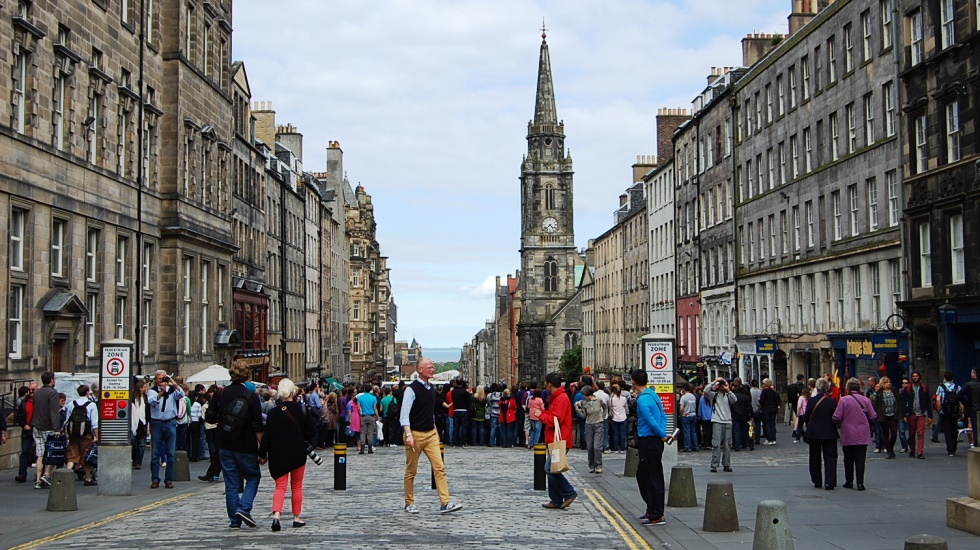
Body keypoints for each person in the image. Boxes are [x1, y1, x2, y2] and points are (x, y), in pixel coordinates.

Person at [400, 357, 463, 515]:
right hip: (415, 433)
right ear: (420, 370)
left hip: (430, 434)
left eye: (433, 366)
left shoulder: (431, 389)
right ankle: (409, 502)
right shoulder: (411, 390)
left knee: (439, 467)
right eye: (429, 367)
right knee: (411, 470)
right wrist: (408, 434)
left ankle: (445, 502)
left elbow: (429, 412)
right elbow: (404, 415)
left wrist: (434, 429)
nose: (432, 369)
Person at [205, 359, 264, 528]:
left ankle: (234, 520)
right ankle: (244, 508)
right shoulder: (252, 397)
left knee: (230, 483)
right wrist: (263, 450)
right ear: (247, 376)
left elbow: (209, 417)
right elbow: (257, 426)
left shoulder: (220, 393)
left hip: (224, 443)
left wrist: (224, 421)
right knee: (253, 477)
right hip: (246, 445)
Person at [258, 378, 314, 532]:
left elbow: (267, 436)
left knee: (280, 486)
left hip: (278, 453)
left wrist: (262, 454)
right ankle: (296, 517)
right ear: (293, 392)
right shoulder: (302, 410)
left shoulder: (273, 413)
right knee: (297, 485)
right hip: (297, 453)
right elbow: (311, 433)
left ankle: (276, 516)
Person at [631, 369, 668, 525]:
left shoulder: (642, 400)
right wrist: (663, 432)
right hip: (655, 440)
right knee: (644, 475)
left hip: (648, 440)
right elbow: (663, 415)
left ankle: (657, 514)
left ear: (633, 381)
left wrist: (661, 434)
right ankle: (651, 509)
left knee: (652, 477)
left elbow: (650, 421)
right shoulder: (653, 395)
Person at [538, 371, 577, 510]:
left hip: (560, 439)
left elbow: (556, 420)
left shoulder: (561, 398)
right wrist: (543, 412)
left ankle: (569, 492)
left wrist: (541, 415)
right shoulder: (556, 398)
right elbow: (553, 415)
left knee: (549, 469)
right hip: (554, 439)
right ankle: (555, 499)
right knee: (553, 469)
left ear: (549, 384)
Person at [833, 378, 877, 491]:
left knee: (848, 458)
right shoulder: (866, 400)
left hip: (848, 433)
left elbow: (837, 417)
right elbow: (873, 416)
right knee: (860, 459)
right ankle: (860, 483)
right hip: (862, 433)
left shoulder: (843, 400)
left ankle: (849, 481)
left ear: (848, 388)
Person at [147, 370, 184, 489]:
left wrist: (173, 383)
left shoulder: (172, 391)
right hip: (157, 423)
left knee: (171, 453)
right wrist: (161, 392)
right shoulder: (152, 391)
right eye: (160, 379)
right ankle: (155, 479)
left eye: (164, 378)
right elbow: (152, 402)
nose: (162, 381)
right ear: (156, 380)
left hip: (170, 422)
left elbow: (181, 394)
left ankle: (169, 479)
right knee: (155, 453)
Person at [802, 378, 838, 490]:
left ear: (817, 388)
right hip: (829, 433)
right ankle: (829, 482)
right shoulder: (831, 402)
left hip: (814, 433)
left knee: (814, 457)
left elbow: (806, 416)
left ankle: (817, 480)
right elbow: (836, 418)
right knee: (830, 458)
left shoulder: (811, 401)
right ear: (827, 388)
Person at [64, 385, 99, 486]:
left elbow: (67, 421)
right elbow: (94, 423)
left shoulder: (71, 404)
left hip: (73, 435)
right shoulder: (91, 405)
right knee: (86, 456)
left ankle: (66, 477)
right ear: (87, 392)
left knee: (72, 456)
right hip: (86, 435)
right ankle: (88, 478)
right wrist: (96, 436)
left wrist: (67, 434)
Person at [32, 372, 62, 489]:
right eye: (54, 379)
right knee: (54, 452)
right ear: (51, 380)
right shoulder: (53, 393)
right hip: (48, 427)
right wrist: (56, 428)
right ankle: (46, 475)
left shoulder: (37, 393)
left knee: (40, 453)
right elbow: (54, 412)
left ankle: (38, 479)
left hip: (37, 425)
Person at [704, 377, 737, 473]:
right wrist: (714, 382)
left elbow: (734, 400)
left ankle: (726, 464)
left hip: (728, 421)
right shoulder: (713, 395)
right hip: (717, 421)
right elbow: (706, 391)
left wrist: (728, 389)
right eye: (721, 384)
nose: (722, 386)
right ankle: (714, 465)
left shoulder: (728, 395)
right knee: (716, 444)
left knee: (727, 445)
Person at [575, 386, 607, 473]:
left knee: (597, 447)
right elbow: (584, 415)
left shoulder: (599, 400)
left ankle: (598, 465)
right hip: (589, 425)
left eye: (584, 395)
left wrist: (603, 416)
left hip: (598, 424)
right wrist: (577, 410)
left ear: (588, 394)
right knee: (589, 447)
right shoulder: (585, 403)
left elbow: (605, 407)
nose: (583, 397)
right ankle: (591, 465)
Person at [902, 370, 933, 459]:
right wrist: (904, 415)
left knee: (920, 433)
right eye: (913, 376)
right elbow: (903, 402)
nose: (915, 378)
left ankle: (920, 452)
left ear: (919, 377)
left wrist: (930, 415)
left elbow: (928, 402)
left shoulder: (924, 388)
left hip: (921, 413)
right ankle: (912, 450)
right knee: (911, 433)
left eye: (916, 376)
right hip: (911, 413)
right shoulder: (908, 388)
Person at [873, 376, 903, 459]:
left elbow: (898, 402)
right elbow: (876, 404)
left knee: (894, 434)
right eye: (886, 382)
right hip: (884, 416)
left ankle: (891, 448)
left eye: (889, 382)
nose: (888, 384)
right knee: (885, 434)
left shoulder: (894, 392)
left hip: (893, 415)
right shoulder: (880, 393)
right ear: (883, 384)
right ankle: (889, 452)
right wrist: (879, 411)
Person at [935, 371, 963, 457]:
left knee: (947, 431)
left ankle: (950, 450)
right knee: (954, 430)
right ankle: (954, 447)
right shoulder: (958, 387)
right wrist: (961, 412)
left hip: (945, 412)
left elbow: (938, 400)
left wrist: (939, 410)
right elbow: (961, 402)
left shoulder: (941, 387)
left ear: (945, 378)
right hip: (955, 412)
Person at [14, 384, 36, 483]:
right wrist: (24, 425)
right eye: (30, 389)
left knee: (39, 454)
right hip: (27, 431)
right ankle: (22, 474)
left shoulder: (40, 402)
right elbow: (19, 417)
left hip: (37, 429)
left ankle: (39, 475)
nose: (31, 391)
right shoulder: (24, 402)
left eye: (33, 389)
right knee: (24, 452)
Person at [356, 384, 380, 454]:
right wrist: (378, 416)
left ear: (364, 389)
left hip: (363, 416)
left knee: (363, 433)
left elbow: (358, 408)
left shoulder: (360, 398)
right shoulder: (373, 398)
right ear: (370, 390)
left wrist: (360, 415)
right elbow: (375, 408)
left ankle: (362, 448)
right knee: (370, 433)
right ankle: (370, 448)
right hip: (371, 416)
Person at [961, 368, 980, 449]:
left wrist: (966, 404)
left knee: (975, 428)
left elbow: (959, 395)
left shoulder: (968, 385)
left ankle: (977, 444)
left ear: (973, 374)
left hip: (973, 408)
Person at [759, 378, 781, 445]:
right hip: (773, 409)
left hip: (766, 409)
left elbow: (761, 400)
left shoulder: (764, 391)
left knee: (766, 424)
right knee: (772, 424)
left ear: (765, 384)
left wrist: (759, 400)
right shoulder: (773, 392)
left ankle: (769, 439)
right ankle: (774, 439)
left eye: (763, 384)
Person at [677, 383, 698, 452]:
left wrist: (681, 414)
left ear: (683, 389)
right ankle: (695, 446)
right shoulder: (693, 396)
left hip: (686, 415)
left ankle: (687, 447)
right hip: (693, 414)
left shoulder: (683, 397)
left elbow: (681, 408)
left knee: (686, 432)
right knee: (693, 432)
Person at [451, 380, 471, 448]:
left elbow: (453, 400)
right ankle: (463, 443)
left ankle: (455, 443)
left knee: (456, 427)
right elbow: (468, 401)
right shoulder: (465, 392)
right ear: (462, 383)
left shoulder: (453, 392)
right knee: (464, 427)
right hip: (464, 410)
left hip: (456, 410)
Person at [608, 384, 628, 453]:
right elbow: (625, 407)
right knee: (622, 434)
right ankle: (622, 448)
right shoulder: (624, 398)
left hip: (614, 417)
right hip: (623, 417)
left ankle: (616, 448)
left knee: (615, 434)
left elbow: (610, 407)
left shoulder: (611, 399)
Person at [787, 374, 805, 439]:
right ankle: (795, 431)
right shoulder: (802, 386)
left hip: (794, 403)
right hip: (800, 403)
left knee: (799, 417)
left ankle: (800, 431)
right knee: (799, 417)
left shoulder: (792, 386)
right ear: (802, 379)